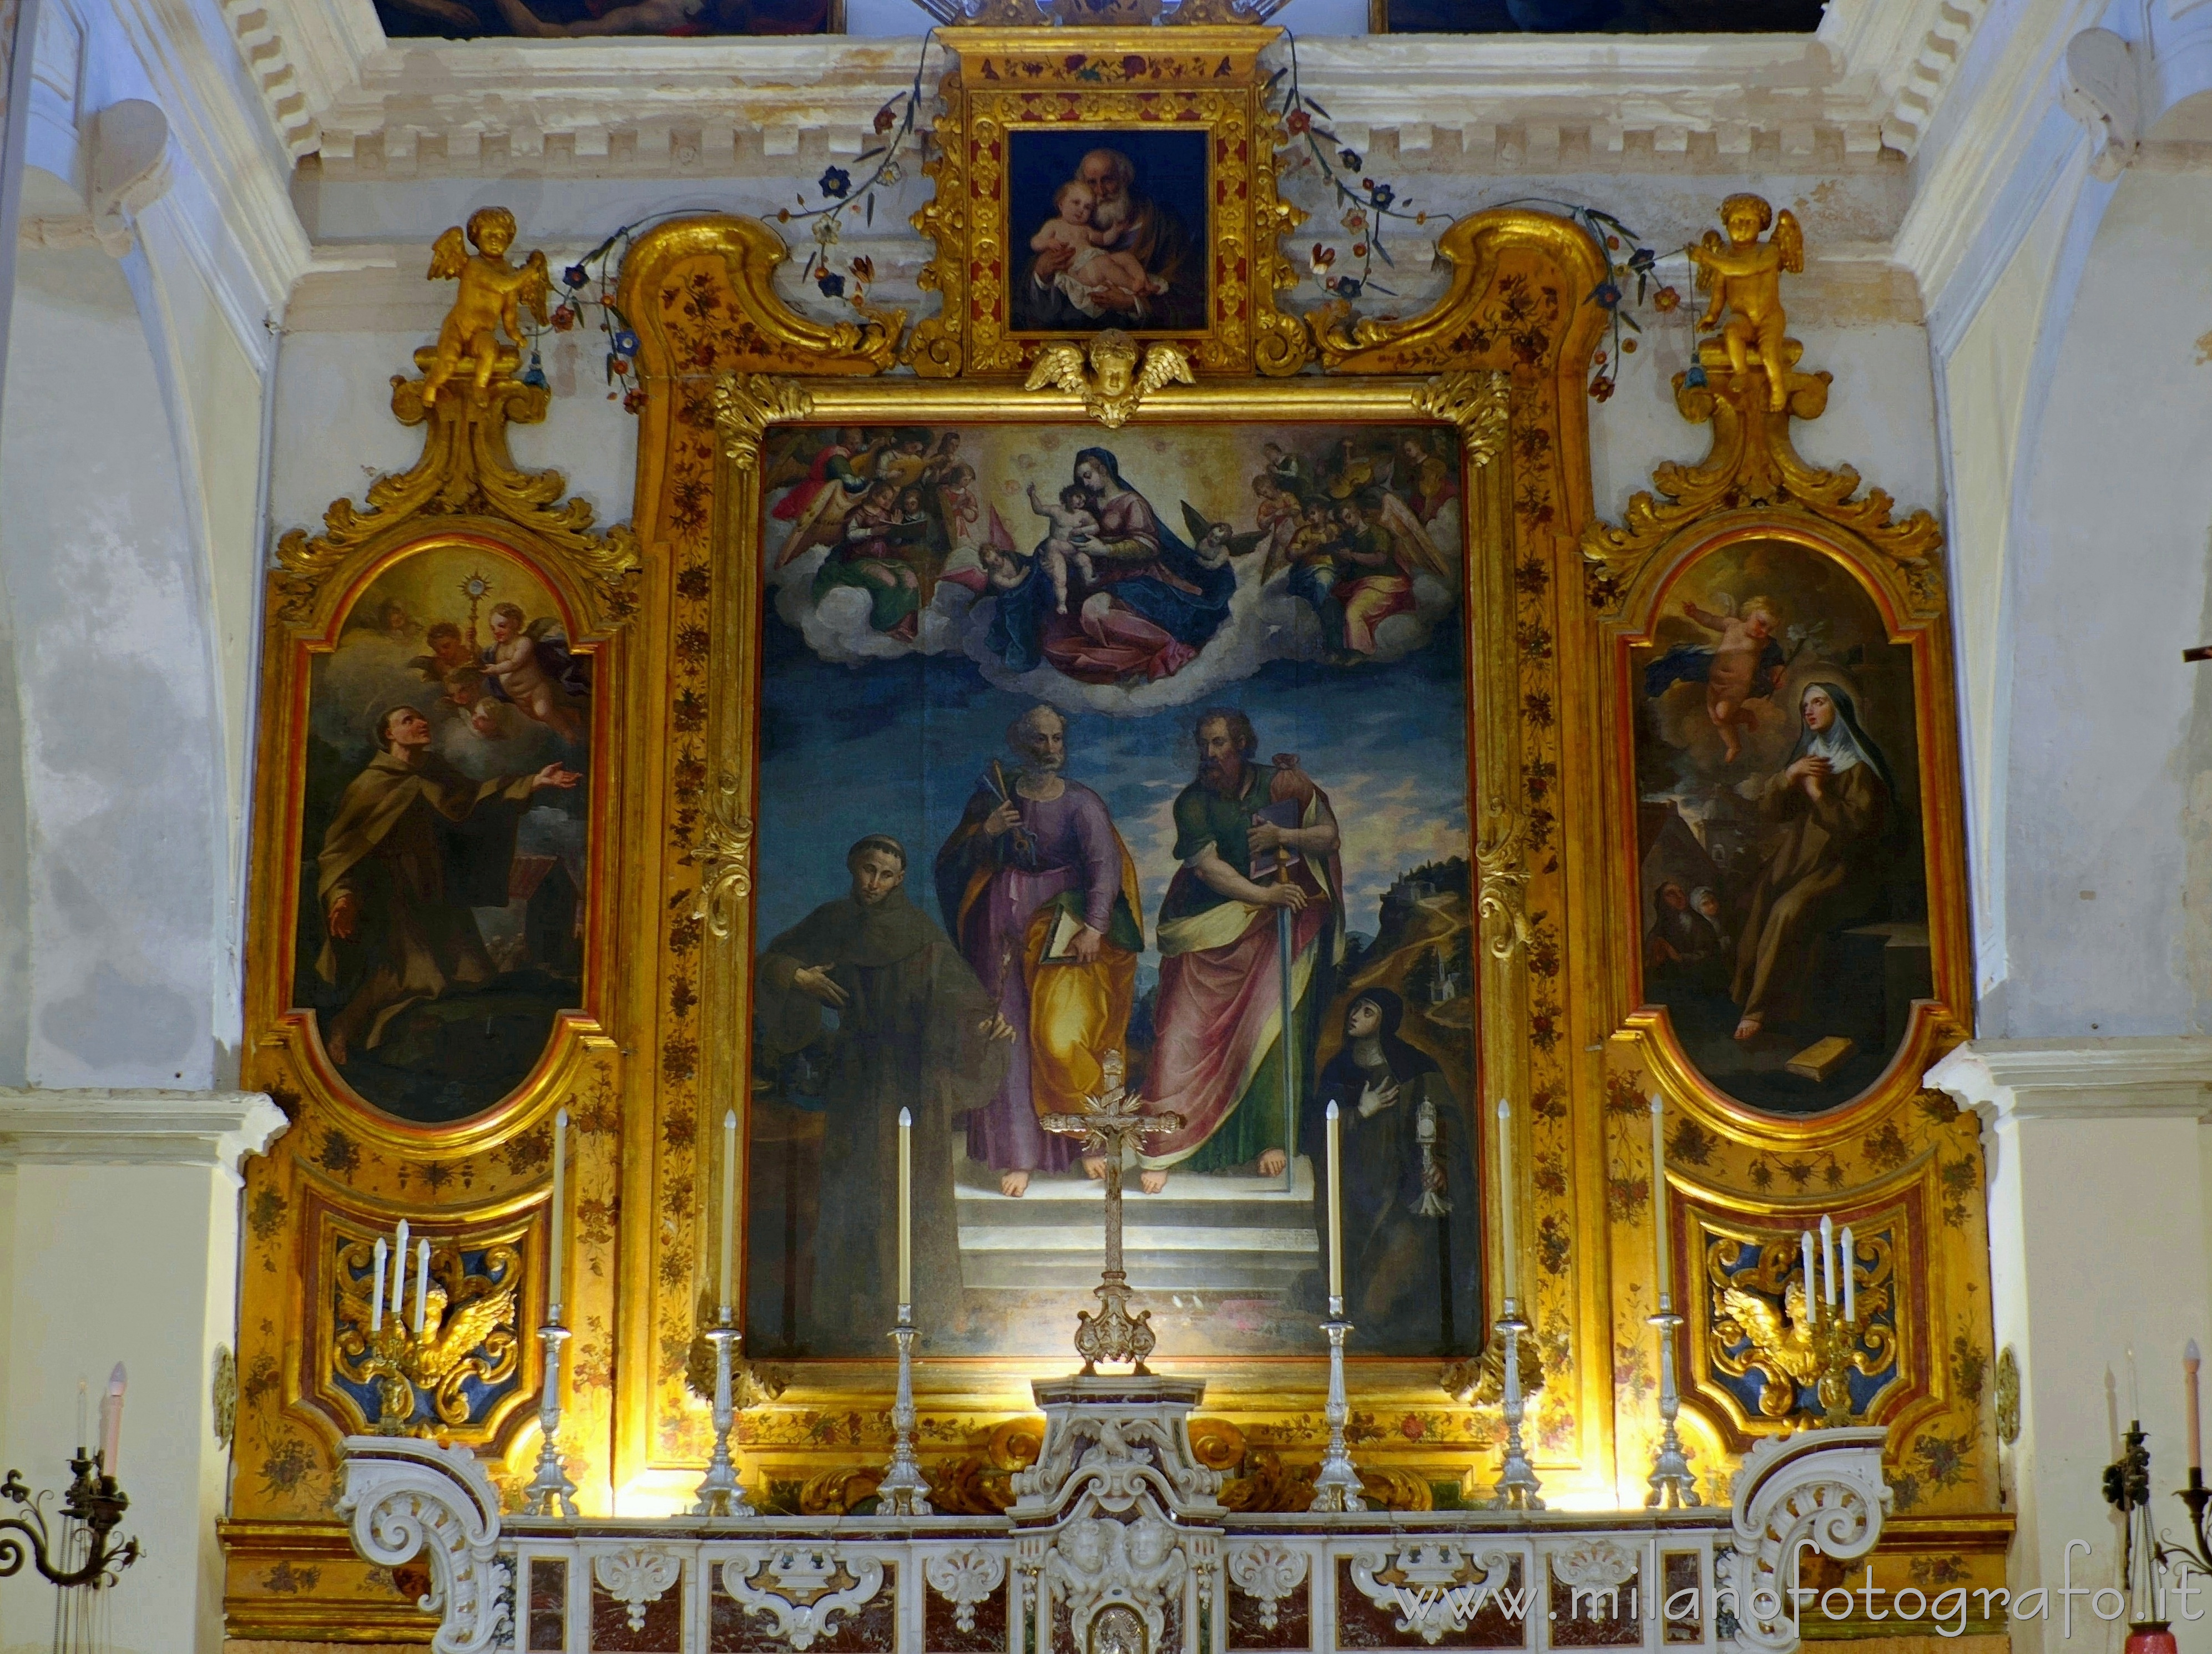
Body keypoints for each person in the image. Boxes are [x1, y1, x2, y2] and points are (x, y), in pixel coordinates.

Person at [753, 835, 1010, 1346]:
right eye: (867, 870)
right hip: (858, 1078)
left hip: (917, 1077)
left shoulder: (920, 935)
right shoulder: (833, 921)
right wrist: (798, 977)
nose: (874, 882)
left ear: (900, 880)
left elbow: (965, 1001)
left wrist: (988, 1026)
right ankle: (852, 1314)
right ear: (854, 868)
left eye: (885, 874)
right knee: (855, 1185)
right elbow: (771, 961)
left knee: (919, 1188)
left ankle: (927, 1310)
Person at [935, 707, 1144, 1197]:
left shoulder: (1081, 802)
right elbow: (952, 864)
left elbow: (1104, 865)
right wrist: (987, 832)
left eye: (1056, 739)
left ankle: (1086, 1140)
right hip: (1001, 931)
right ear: (1019, 744)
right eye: (1038, 740)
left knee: (1063, 1035)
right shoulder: (994, 798)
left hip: (1062, 929)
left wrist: (1094, 927)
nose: (1049, 749)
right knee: (1009, 1035)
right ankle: (1018, 1154)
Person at [1138, 711, 1341, 1191]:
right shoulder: (1193, 802)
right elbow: (1208, 869)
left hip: (1277, 925)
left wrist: (1284, 838)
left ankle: (1269, 1138)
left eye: (1220, 744)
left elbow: (1327, 836)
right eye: (1203, 745)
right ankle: (1167, 1140)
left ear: (1243, 745)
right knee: (1179, 1032)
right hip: (1210, 922)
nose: (1209, 755)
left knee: (1271, 1025)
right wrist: (1264, 896)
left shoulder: (1281, 783)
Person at [314, 706, 579, 1066]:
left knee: (472, 974)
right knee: (410, 976)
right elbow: (340, 850)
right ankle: (346, 1031)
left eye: (423, 717)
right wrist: (342, 896)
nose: (422, 722)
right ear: (389, 734)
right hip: (391, 895)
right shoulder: (369, 785)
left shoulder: (437, 773)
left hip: (437, 891)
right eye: (408, 720)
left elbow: (477, 801)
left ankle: (439, 1047)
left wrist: (534, 782)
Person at [1305, 989, 1481, 1349]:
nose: (1355, 1014)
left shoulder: (1416, 1067)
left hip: (1399, 1187)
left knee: (1395, 1260)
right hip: (1349, 1189)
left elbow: (1444, 1123)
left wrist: (1441, 1166)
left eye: (1367, 1011)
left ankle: (1385, 1326)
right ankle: (1349, 1325)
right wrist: (1360, 1111)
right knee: (1347, 1262)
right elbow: (1314, 1132)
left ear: (1384, 1020)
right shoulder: (1338, 1069)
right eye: (1355, 1007)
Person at [1730, 681, 1897, 1041]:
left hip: (1842, 868)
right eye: (1805, 704)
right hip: (1798, 860)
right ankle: (1742, 995)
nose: (1809, 710)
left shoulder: (1858, 769)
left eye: (1819, 702)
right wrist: (1788, 777)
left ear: (1838, 710)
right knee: (1760, 898)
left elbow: (1856, 830)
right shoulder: (1810, 757)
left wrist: (1818, 793)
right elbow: (1773, 812)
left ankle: (1760, 1010)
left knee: (1788, 909)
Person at [986, 448, 1234, 685]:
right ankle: (1136, 648)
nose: (1084, 483)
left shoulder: (1131, 503)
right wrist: (1052, 563)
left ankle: (1169, 645)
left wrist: (1106, 549)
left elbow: (1149, 546)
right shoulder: (1089, 505)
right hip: (1102, 579)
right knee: (1053, 641)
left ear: (1103, 471)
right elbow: (1068, 538)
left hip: (1138, 580)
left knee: (1094, 613)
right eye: (1080, 479)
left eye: (1088, 476)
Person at [1014, 148, 1198, 331]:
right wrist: (1042, 274)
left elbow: (1191, 298)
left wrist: (1135, 304)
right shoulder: (1069, 224)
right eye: (1091, 183)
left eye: (1108, 180)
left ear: (1125, 178)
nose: (1100, 192)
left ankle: (1141, 284)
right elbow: (1032, 307)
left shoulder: (1163, 225)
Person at [1643, 596, 1786, 765]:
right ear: (1750, 613)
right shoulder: (1732, 625)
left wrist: (1778, 674)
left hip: (1735, 688)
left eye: (1769, 629)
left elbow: (1776, 660)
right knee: (1716, 718)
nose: (1763, 631)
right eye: (1761, 623)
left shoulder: (1763, 643)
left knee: (1723, 714)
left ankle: (1747, 716)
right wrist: (1695, 613)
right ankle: (1734, 745)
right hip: (1715, 682)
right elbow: (1712, 620)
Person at [1030, 180, 1167, 315]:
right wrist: (1048, 243)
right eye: (1076, 203)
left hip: (1096, 258)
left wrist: (1115, 231)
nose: (1081, 210)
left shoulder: (1085, 229)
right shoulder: (1054, 225)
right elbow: (1035, 242)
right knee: (1104, 264)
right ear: (1061, 204)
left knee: (1125, 257)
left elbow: (1103, 239)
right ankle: (1133, 286)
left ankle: (1143, 280)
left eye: (1087, 207)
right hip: (1080, 270)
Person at [1026, 480, 1099, 613]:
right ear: (1068, 496)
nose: (1080, 502)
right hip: (1056, 550)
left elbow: (1096, 527)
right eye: (1078, 497)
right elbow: (1039, 509)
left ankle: (1089, 582)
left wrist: (1082, 531)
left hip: (1074, 550)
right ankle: (1062, 604)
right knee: (1060, 578)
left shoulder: (1083, 515)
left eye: (1083, 500)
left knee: (1085, 562)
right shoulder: (1056, 511)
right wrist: (1032, 495)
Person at [1644, 879, 1720, 990]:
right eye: (1671, 894)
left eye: (1681, 892)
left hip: (1699, 985)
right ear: (1662, 902)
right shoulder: (1658, 930)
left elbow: (1711, 956)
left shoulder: (1701, 925)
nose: (1679, 896)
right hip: (1668, 985)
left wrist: (1679, 957)